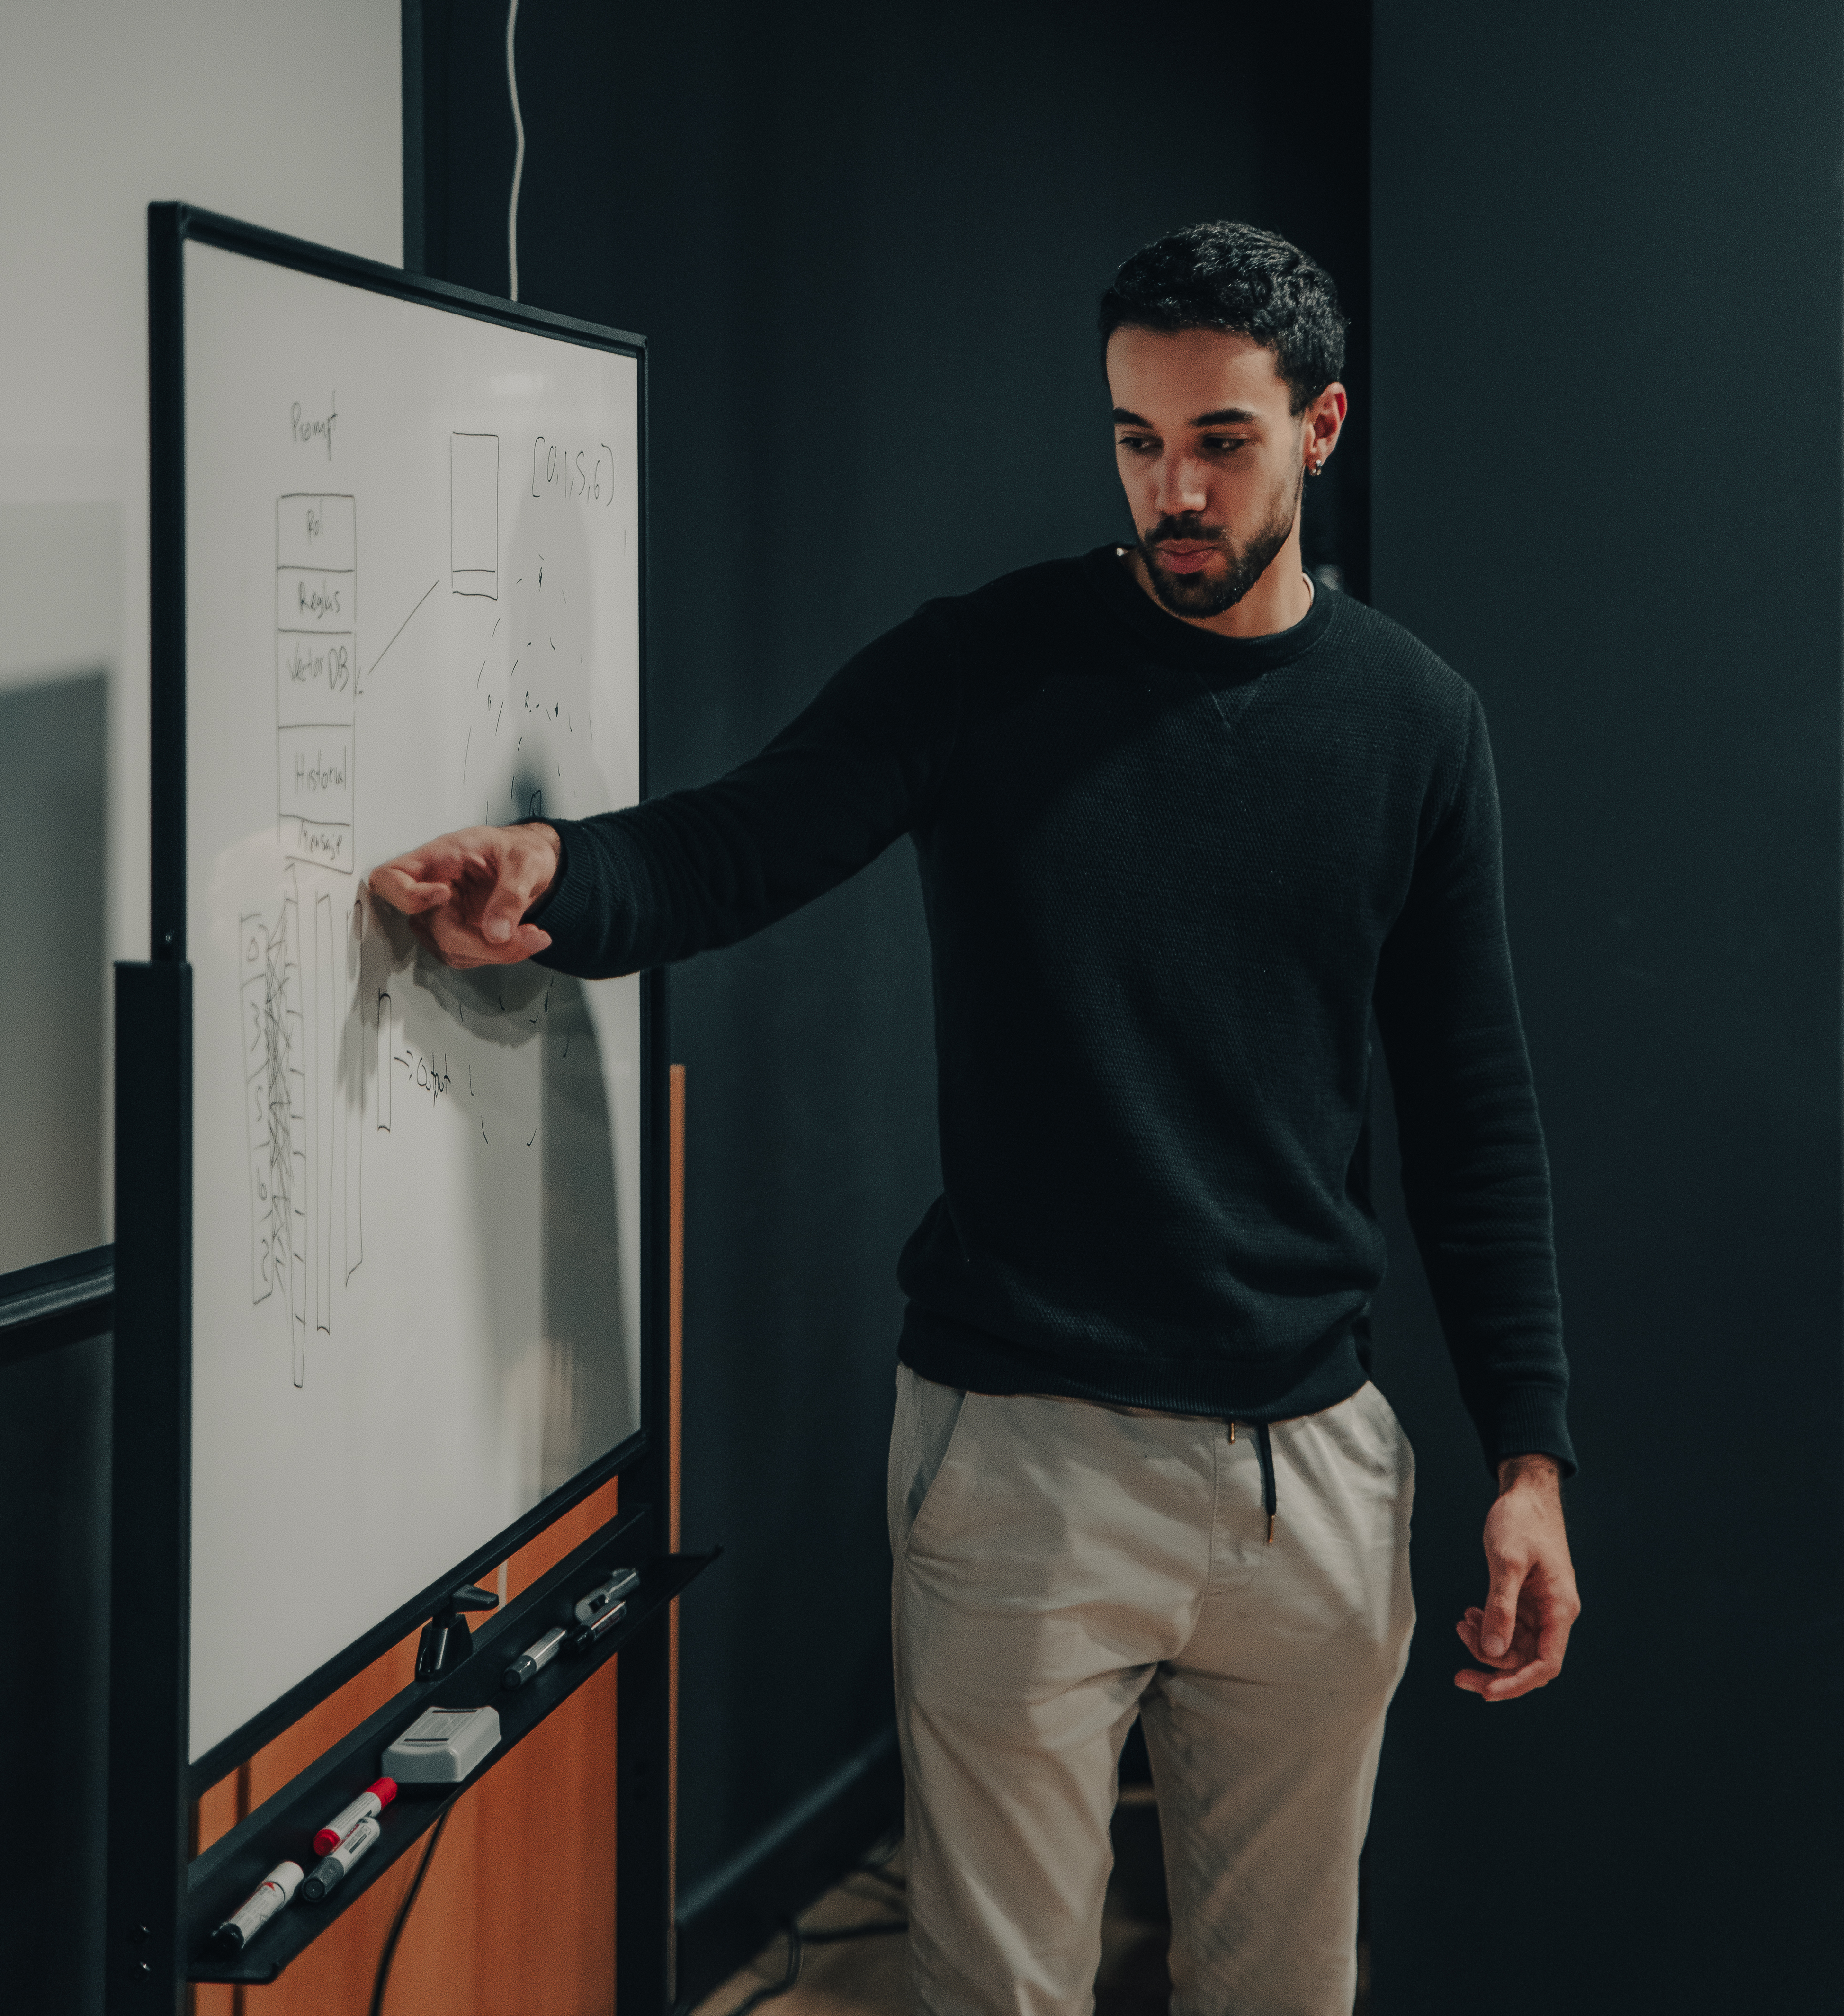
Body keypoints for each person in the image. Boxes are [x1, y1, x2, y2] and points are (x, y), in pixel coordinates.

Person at [373, 220, 1580, 2016]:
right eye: (1136, 439)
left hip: (1311, 1478)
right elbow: (743, 837)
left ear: (1322, 428)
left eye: (1221, 442)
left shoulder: (1418, 724)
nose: (1173, 491)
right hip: (1025, 1454)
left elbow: (1475, 1111)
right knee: (997, 1995)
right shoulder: (987, 662)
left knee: (1286, 1991)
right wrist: (558, 874)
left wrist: (1529, 1457)